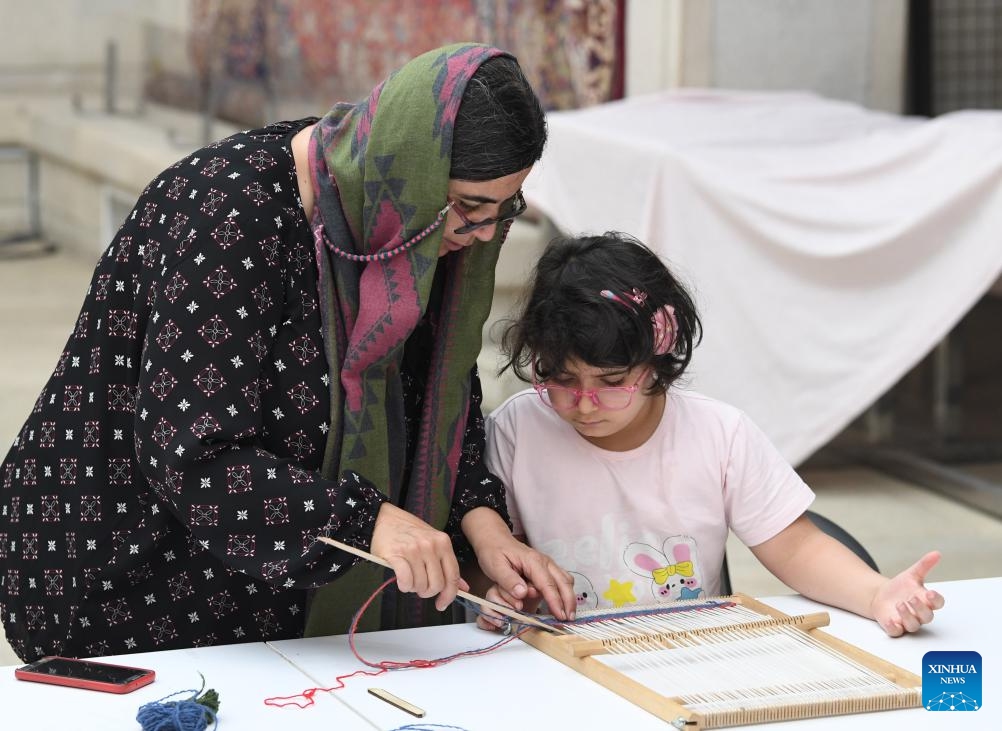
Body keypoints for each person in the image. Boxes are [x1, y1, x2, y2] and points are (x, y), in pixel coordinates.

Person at [0, 43, 576, 663]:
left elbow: (436, 392)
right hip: (129, 575)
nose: (484, 234)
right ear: (410, 170)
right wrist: (366, 523)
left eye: (504, 209)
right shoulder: (227, 211)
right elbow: (190, 456)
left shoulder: (410, 220)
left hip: (272, 584)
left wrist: (481, 521)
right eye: (468, 207)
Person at [479, 231, 944, 637]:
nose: (583, 403)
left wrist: (878, 594)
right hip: (555, 662)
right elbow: (486, 552)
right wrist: (497, 592)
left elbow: (797, 546)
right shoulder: (518, 429)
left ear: (658, 357)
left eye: (611, 382)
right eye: (561, 380)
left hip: (692, 658)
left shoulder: (719, 434)